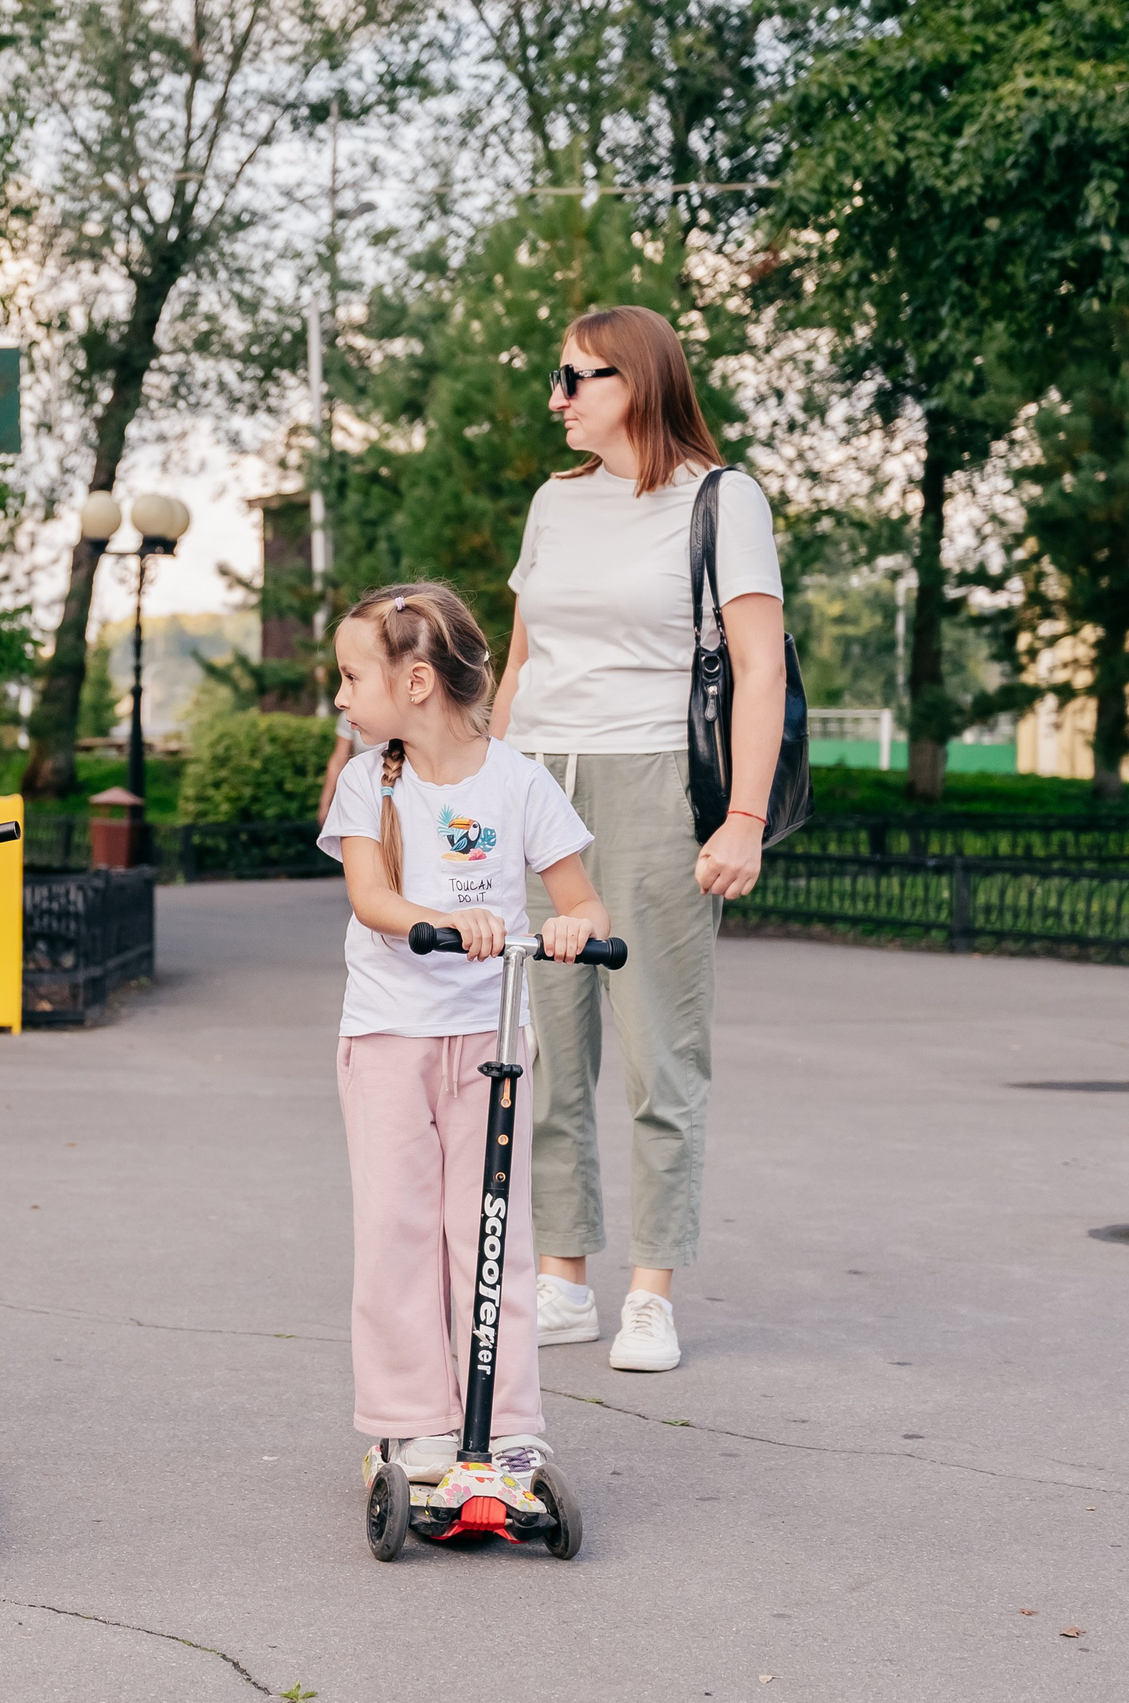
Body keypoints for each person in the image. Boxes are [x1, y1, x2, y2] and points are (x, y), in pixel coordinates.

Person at [490, 305, 787, 1374]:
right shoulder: (554, 502)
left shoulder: (721, 499)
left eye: (580, 377)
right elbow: (520, 666)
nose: (558, 396)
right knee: (546, 1052)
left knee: (661, 1051)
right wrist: (484, 791)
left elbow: (759, 668)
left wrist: (743, 817)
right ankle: (563, 1275)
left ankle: (651, 1291)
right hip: (540, 784)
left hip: (657, 784)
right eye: (557, 374)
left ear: (640, 383)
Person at [320, 582, 609, 1490]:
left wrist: (573, 927)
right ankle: (413, 1422)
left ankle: (507, 1422)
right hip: (389, 1038)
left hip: (491, 1041)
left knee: (492, 1233)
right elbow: (371, 898)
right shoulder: (368, 781)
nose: (339, 696)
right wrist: (445, 919)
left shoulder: (519, 780)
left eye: (351, 676)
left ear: (415, 682)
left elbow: (581, 899)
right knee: (397, 1231)